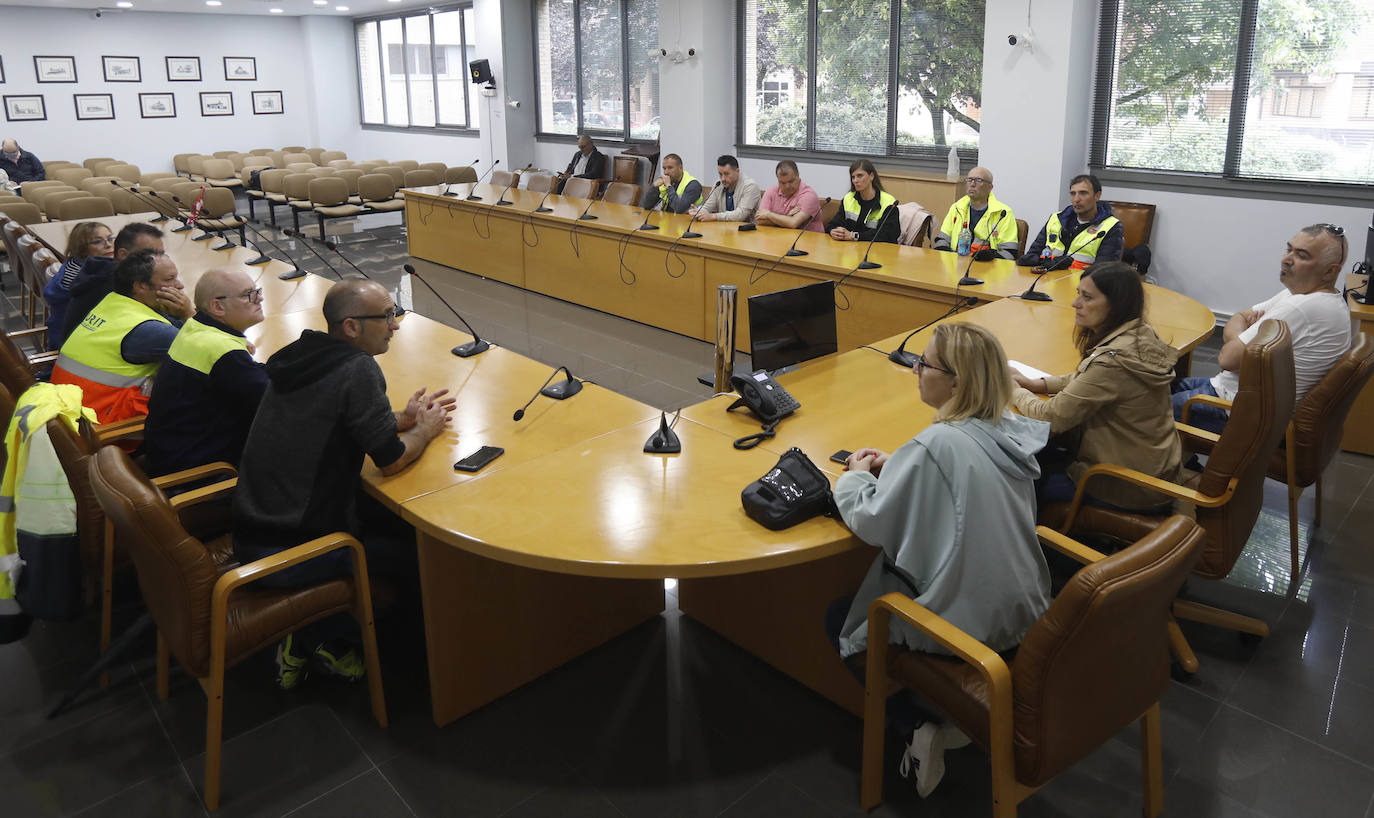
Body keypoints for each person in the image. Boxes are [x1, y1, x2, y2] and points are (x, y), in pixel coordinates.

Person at [827, 322, 1051, 798]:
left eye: (924, 364)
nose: (915, 371)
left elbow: (870, 520)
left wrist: (853, 476)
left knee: (839, 621)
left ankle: (917, 725)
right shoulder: (1004, 430)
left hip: (970, 628)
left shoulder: (937, 445)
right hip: (1023, 614)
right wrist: (908, 464)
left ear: (957, 383)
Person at [233, 279, 455, 688]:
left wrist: (398, 419)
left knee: (385, 520)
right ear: (351, 327)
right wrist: (424, 431)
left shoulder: (303, 353)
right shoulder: (357, 368)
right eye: (387, 317)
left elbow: (333, 415)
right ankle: (324, 639)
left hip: (253, 524)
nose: (396, 325)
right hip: (293, 547)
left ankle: (321, 633)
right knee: (421, 559)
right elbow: (389, 461)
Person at [1011, 261, 1184, 509]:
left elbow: (1049, 419)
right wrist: (1036, 384)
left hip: (1126, 485)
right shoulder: (1138, 334)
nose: (1075, 304)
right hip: (1152, 470)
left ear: (1116, 305)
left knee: (1015, 480)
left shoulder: (1114, 362)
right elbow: (1086, 378)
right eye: (1078, 294)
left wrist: (1014, 390)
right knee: (1041, 456)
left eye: (1087, 297)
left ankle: (1044, 545)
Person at [1170, 224, 1352, 433]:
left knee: (1141, 408)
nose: (1286, 259)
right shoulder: (1302, 294)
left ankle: (1166, 460)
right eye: (1289, 249)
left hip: (1238, 412)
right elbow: (1239, 316)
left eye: (1302, 255)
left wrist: (1248, 331)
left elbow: (1227, 360)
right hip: (1229, 390)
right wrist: (1246, 336)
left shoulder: (1303, 307)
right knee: (1152, 388)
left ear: (1330, 271)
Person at [140, 269, 269, 478]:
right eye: (249, 294)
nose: (260, 298)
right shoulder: (223, 351)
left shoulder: (195, 327)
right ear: (217, 307)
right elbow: (270, 403)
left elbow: (248, 380)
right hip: (199, 476)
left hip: (169, 457)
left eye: (257, 291)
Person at [50, 249, 192, 424]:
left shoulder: (112, 302)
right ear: (140, 286)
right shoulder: (148, 330)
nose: (180, 285)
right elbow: (212, 352)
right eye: (170, 279)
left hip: (68, 415)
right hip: (106, 430)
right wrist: (188, 315)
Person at [59, 222, 166, 348]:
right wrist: (186, 313)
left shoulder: (100, 270)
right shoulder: (114, 283)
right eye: (149, 255)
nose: (160, 261)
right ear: (123, 254)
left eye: (162, 254)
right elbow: (161, 328)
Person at [1017, 173, 1123, 270]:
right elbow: (1029, 257)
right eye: (1073, 193)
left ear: (1097, 196)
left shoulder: (1111, 226)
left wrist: (1048, 263)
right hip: (1046, 281)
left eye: (1083, 193)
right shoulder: (1056, 219)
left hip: (1081, 284)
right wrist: (1051, 263)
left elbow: (1103, 271)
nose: (1076, 199)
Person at [43, 222, 113, 348]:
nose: (108, 245)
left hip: (66, 336)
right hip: (73, 345)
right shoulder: (87, 279)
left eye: (110, 238)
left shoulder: (73, 263)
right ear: (82, 247)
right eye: (98, 242)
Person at [931, 166, 1019, 260]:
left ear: (990, 187)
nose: (972, 184)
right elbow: (941, 241)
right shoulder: (956, 208)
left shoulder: (1003, 213)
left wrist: (989, 258)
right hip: (955, 264)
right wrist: (949, 258)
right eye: (969, 180)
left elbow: (1009, 253)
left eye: (979, 180)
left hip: (988, 269)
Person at [827, 159, 900, 245]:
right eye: (853, 177)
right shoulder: (849, 198)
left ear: (871, 176)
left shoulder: (889, 202)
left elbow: (887, 235)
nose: (855, 180)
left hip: (878, 252)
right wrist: (833, 231)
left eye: (860, 176)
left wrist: (853, 236)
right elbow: (834, 224)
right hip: (851, 250)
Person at [754, 159, 824, 233]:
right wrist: (787, 218)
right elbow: (759, 220)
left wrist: (768, 214)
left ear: (798, 177)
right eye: (783, 183)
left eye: (791, 181)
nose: (787, 186)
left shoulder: (809, 195)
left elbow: (793, 223)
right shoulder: (771, 191)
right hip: (779, 237)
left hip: (808, 240)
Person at [689, 154, 760, 223]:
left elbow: (740, 215)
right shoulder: (718, 185)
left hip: (748, 232)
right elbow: (707, 207)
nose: (723, 178)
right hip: (724, 229)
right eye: (720, 174)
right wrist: (698, 213)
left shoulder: (750, 186)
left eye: (726, 174)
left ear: (737, 171)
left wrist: (714, 216)